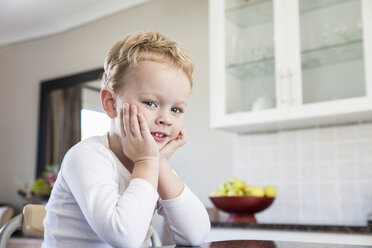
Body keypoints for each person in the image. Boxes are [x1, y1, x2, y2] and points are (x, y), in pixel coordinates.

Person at [42, 31, 211, 248]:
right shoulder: (86, 156)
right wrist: (147, 162)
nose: (166, 119)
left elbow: (196, 236)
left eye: (176, 109)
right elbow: (124, 238)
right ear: (111, 103)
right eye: (150, 103)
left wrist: (160, 164)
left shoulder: (153, 164)